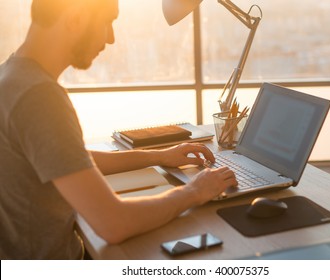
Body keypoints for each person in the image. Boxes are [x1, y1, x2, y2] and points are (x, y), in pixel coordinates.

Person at [0, 0, 237, 259]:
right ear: (75, 18)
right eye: (108, 22)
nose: (111, 38)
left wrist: (159, 156)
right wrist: (194, 191)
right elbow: (114, 224)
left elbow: (73, 161)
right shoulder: (39, 97)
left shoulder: (11, 76)